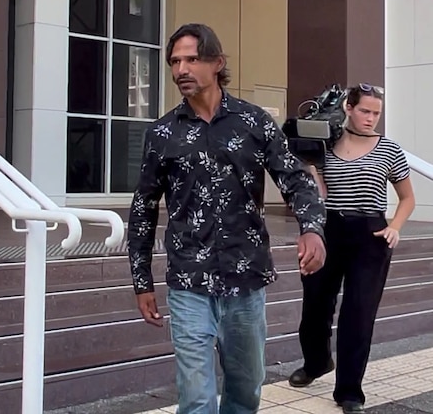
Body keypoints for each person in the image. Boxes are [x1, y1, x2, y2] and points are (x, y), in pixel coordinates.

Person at [127, 23, 327, 414]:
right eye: (174, 61)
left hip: (246, 281)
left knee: (245, 390)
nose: (180, 69)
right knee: (197, 397)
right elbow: (143, 208)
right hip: (189, 282)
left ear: (217, 63)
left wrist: (312, 228)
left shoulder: (254, 122)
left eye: (191, 59)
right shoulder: (162, 133)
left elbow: (295, 180)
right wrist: (141, 280)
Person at [288, 84, 415, 413]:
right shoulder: (325, 144)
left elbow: (407, 198)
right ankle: (317, 362)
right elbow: (319, 192)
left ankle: (349, 392)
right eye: (365, 111)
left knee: (358, 314)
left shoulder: (389, 150)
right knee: (315, 306)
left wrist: (395, 228)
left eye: (376, 113)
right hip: (328, 229)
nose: (371, 118)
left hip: (370, 235)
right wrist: (312, 165)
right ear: (348, 107)